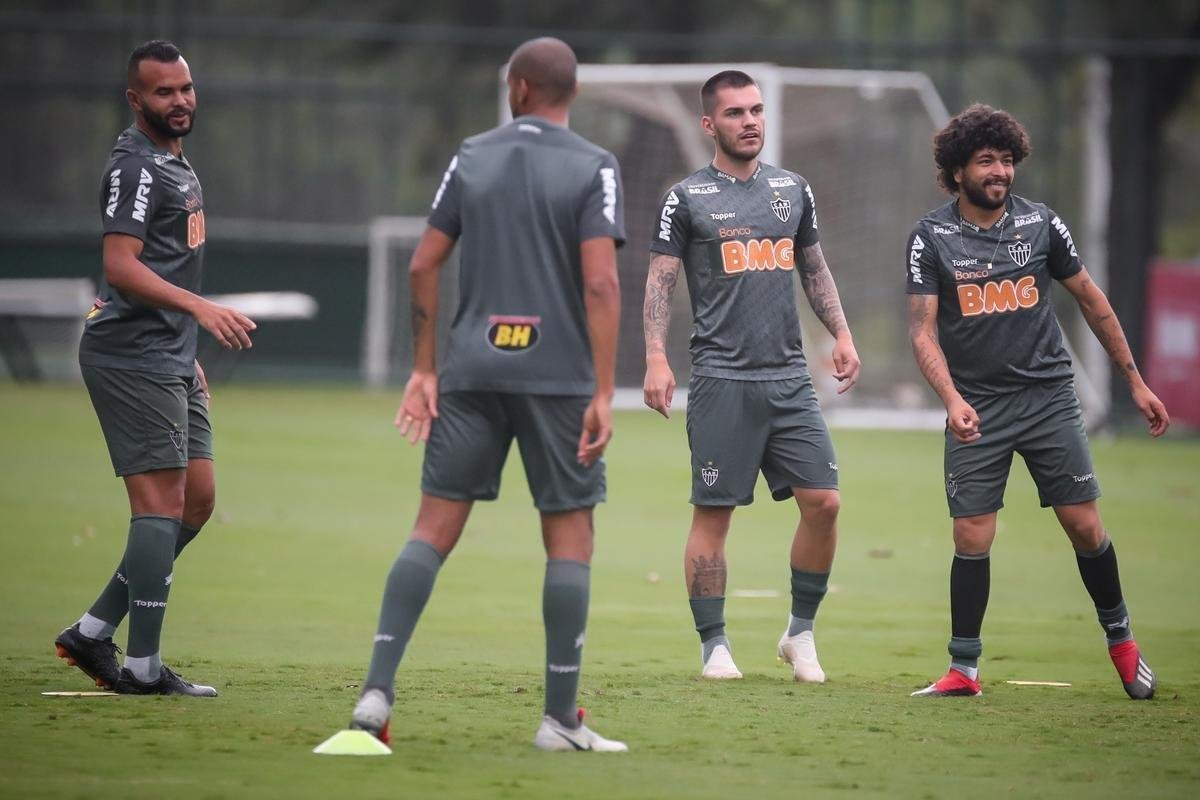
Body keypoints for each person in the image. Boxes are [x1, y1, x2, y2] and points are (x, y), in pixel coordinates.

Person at [347, 37, 626, 752]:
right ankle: (559, 721)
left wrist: (424, 369)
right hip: (558, 379)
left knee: (430, 530)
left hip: (470, 372)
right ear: (571, 92)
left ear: (520, 88)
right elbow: (601, 282)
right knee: (570, 537)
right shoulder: (595, 165)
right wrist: (603, 390)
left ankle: (376, 694)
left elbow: (423, 265)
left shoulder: (471, 155)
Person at [906, 103, 1169, 699]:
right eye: (985, 161)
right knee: (971, 535)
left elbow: (1092, 301)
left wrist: (1135, 381)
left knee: (1084, 526)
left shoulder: (1042, 224)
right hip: (977, 405)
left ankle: (1123, 644)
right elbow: (922, 331)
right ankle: (964, 670)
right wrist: (950, 398)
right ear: (957, 170)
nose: (999, 171)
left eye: (1006, 160)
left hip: (1048, 398)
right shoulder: (930, 237)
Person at [643, 70, 860, 683]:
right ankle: (714, 645)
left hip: (789, 378)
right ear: (709, 124)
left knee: (824, 502)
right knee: (713, 517)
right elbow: (659, 280)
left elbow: (814, 269)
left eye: (756, 110)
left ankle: (800, 634)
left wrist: (842, 334)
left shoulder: (793, 189)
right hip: (721, 379)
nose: (750, 122)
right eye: (735, 113)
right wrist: (655, 356)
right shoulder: (686, 197)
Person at [54, 40, 257, 697]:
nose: (180, 100)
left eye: (186, 88)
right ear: (135, 98)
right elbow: (120, 266)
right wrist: (198, 309)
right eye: (164, 92)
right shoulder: (136, 167)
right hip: (129, 354)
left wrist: (185, 348)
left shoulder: (175, 160)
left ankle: (91, 631)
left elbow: (165, 263)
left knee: (197, 500)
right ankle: (142, 669)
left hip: (168, 352)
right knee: (161, 504)